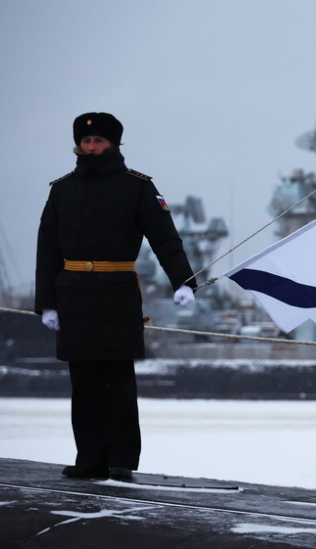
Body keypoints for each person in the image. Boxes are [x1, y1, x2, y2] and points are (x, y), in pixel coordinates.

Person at [35, 112, 197, 481]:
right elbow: (47, 251)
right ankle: (89, 458)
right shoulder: (61, 190)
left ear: (114, 144)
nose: (91, 148)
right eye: (86, 142)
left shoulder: (137, 187)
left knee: (118, 381)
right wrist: (46, 303)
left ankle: (122, 461)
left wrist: (183, 282)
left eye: (99, 142)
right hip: (73, 294)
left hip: (116, 294)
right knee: (84, 382)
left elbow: (166, 240)